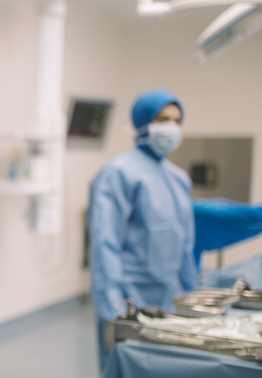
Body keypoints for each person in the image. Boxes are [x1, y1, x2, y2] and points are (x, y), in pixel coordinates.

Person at [87, 89, 196, 369]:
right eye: (162, 119)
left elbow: (185, 244)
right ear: (142, 122)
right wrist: (115, 308)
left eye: (177, 120)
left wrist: (189, 295)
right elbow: (104, 243)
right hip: (129, 302)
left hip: (170, 300)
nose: (171, 127)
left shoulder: (179, 178)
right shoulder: (119, 173)